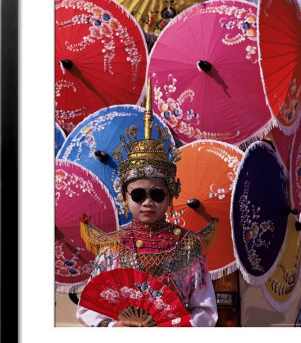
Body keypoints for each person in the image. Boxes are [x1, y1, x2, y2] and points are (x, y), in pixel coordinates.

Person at [76, 80, 218, 327]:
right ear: (125, 197)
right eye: (138, 195)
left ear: (170, 196)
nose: (148, 202)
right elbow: (89, 310)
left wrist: (176, 329)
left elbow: (205, 311)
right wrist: (113, 327)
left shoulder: (187, 246)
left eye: (157, 194)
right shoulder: (114, 247)